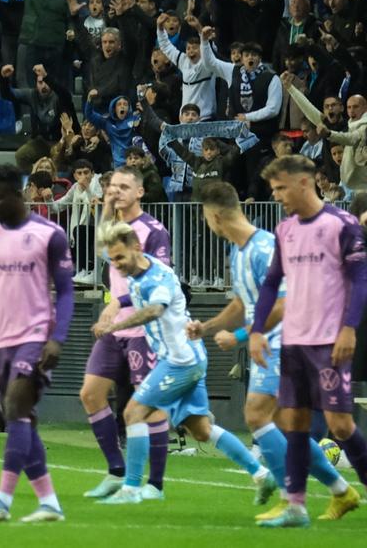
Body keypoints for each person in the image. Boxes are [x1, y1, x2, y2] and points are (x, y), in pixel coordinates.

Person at [187, 182, 359, 521]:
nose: (207, 223)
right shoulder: (238, 252)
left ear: (215, 214)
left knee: (256, 414)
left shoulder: (265, 248)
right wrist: (207, 327)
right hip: (268, 344)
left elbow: (284, 303)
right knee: (283, 425)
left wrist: (238, 335)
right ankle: (342, 491)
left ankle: (292, 502)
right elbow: (242, 302)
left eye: (206, 216)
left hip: (285, 342)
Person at [93, 221, 274, 505]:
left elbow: (155, 309)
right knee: (200, 429)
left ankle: (129, 489)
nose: (116, 264)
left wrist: (116, 325)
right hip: (188, 357)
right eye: (112, 259)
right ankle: (262, 473)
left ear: (137, 247)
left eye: (119, 257)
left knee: (133, 413)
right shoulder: (139, 269)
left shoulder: (158, 277)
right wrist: (117, 302)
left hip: (180, 362)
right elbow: (137, 294)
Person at [249, 155, 367, 528]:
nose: (278, 195)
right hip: (293, 341)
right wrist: (255, 330)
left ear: (305, 182)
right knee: (295, 422)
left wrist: (349, 328)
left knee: (341, 424)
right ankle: (296, 506)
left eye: (281, 188)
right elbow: (271, 283)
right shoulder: (285, 230)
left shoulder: (341, 224)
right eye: (274, 189)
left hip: (330, 341)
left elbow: (362, 279)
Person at [0, 164, 74, 522]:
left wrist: (58, 338)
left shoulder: (49, 234)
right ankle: (49, 502)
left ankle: (2, 500)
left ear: (19, 194)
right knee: (20, 419)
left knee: (16, 407)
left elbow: (66, 292)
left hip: (35, 335)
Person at [80, 166, 172, 501]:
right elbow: (101, 250)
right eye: (111, 185)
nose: (115, 190)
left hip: (143, 327)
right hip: (114, 326)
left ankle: (155, 484)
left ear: (140, 193)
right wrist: (105, 206)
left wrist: (116, 304)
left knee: (146, 404)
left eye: (123, 186)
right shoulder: (113, 227)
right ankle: (116, 471)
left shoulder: (152, 230)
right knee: (91, 394)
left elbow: (158, 279)